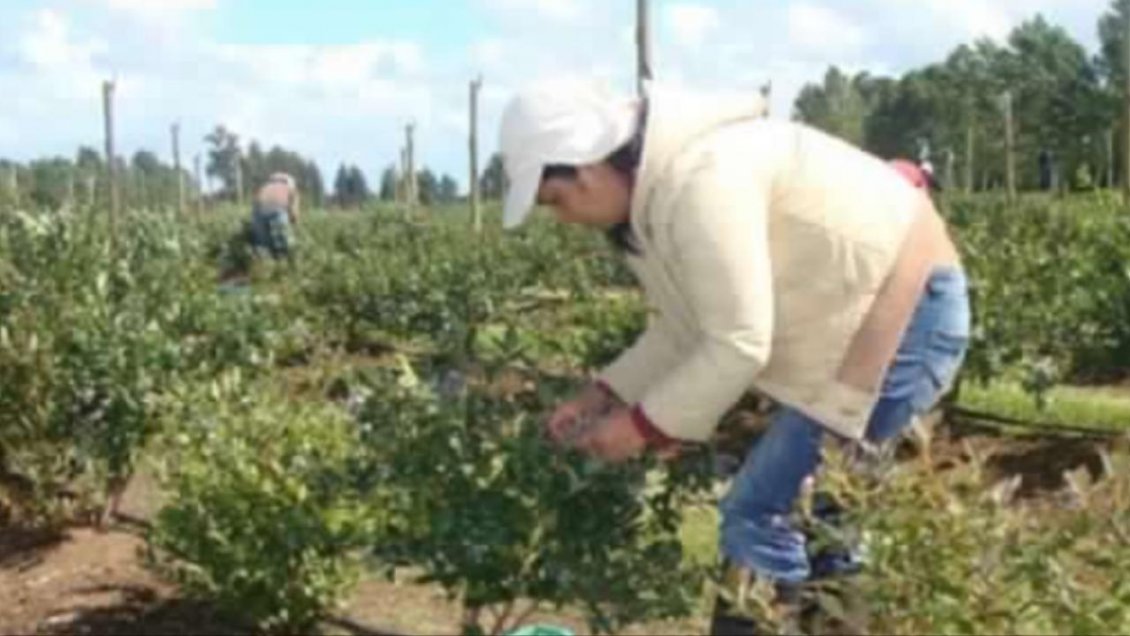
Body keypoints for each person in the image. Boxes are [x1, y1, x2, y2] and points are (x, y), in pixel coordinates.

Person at [498, 80, 971, 633]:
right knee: (825, 521)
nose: (564, 218)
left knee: (758, 514)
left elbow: (739, 340)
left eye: (557, 200)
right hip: (861, 323)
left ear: (587, 165)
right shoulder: (656, 201)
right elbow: (685, 327)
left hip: (903, 316)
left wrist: (641, 426)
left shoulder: (702, 180)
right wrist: (605, 395)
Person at [249, 172, 300, 261]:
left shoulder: (265, 187)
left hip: (258, 212)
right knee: (284, 245)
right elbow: (294, 211)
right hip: (277, 209)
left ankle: (264, 264)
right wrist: (294, 223)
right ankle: (284, 263)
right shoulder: (290, 189)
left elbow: (255, 204)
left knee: (262, 247)